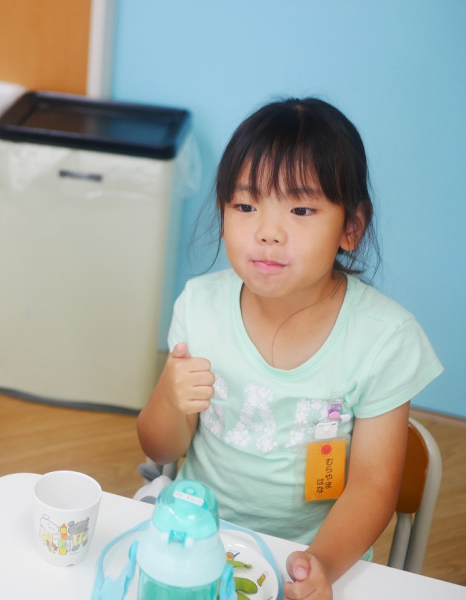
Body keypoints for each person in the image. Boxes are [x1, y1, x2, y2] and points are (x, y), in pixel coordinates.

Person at [137, 98, 443, 599]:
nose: (268, 233)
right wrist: (169, 401)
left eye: (301, 210)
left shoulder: (385, 338)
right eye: (245, 206)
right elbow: (160, 449)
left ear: (351, 227)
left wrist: (319, 563)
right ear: (222, 214)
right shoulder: (200, 305)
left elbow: (373, 483)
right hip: (198, 538)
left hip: (311, 556)